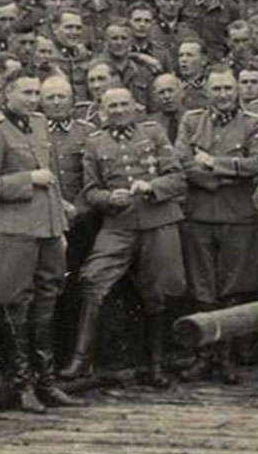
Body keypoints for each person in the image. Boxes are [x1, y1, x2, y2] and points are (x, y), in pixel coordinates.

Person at [61, 86, 187, 388]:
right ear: (102, 110)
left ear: (135, 107)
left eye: (123, 104)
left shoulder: (154, 133)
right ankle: (81, 359)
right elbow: (90, 191)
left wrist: (151, 187)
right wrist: (108, 198)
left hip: (158, 220)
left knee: (159, 291)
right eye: (111, 105)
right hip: (119, 225)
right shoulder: (95, 143)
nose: (118, 110)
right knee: (93, 278)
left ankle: (155, 364)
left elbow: (178, 177)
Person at [0, 73, 82, 413]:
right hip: (13, 230)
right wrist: (27, 180)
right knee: (16, 303)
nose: (34, 98)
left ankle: (47, 381)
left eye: (37, 92)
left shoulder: (38, 123)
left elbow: (52, 178)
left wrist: (60, 226)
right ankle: (23, 386)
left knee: (48, 298)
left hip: (47, 227)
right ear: (8, 94)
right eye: (26, 92)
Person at [175, 67, 258, 383]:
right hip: (199, 213)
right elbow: (181, 162)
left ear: (237, 90)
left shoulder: (253, 122)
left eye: (228, 88)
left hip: (238, 216)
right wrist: (218, 180)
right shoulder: (191, 121)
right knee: (202, 287)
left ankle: (226, 358)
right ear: (206, 90)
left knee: (234, 287)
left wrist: (214, 163)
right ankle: (204, 357)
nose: (224, 95)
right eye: (217, 89)